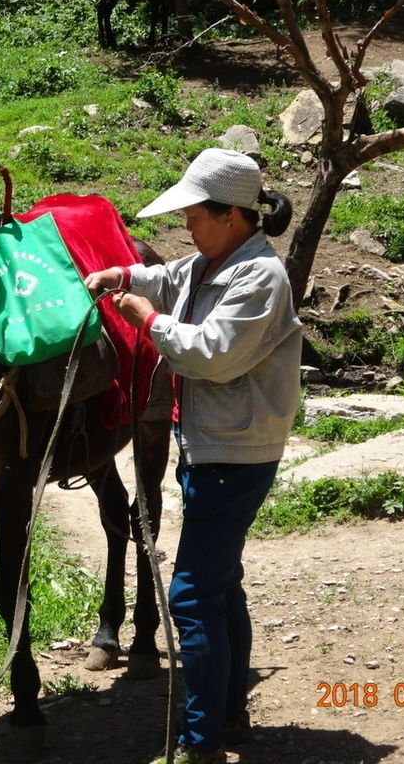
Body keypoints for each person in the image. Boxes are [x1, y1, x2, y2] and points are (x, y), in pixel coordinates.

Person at [84, 148, 303, 764]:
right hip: (218, 446)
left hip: (236, 453)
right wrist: (123, 277)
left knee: (191, 595)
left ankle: (199, 741)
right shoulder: (215, 262)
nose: (187, 225)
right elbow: (167, 276)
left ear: (231, 215)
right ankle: (228, 712)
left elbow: (211, 354)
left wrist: (147, 321)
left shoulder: (259, 277)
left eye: (195, 215)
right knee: (219, 583)